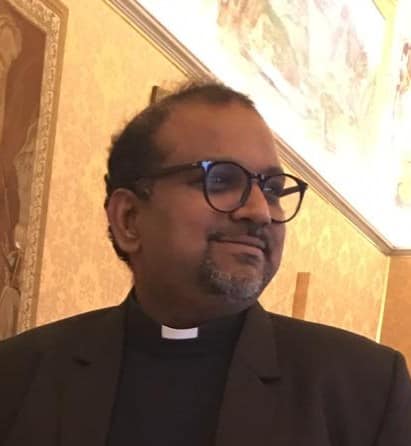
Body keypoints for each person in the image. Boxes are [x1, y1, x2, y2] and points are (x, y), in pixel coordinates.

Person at [0, 82, 410, 446]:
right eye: (221, 180)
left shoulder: (365, 390)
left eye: (272, 189)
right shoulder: (18, 375)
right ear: (129, 219)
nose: (259, 212)